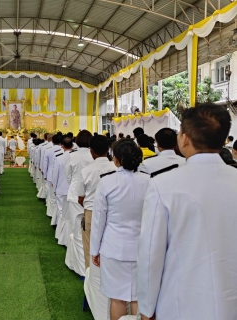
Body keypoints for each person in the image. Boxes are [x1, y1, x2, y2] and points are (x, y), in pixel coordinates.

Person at [138, 103, 237, 320]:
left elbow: (150, 255)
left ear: (184, 139)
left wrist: (146, 308)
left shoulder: (163, 185)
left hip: (181, 302)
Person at [91, 139, 148, 320]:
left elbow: (99, 221)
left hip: (113, 247)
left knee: (117, 298)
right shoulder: (150, 182)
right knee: (140, 297)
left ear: (116, 159)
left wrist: (95, 250)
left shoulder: (107, 182)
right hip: (143, 247)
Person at [76, 135, 116, 269]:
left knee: (89, 248)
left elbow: (80, 198)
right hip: (113, 212)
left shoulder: (86, 171)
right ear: (108, 149)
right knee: (110, 246)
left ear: (91, 151)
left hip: (91, 212)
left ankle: (90, 280)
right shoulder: (116, 169)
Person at [65, 130, 93, 237]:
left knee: (75, 227)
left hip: (75, 193)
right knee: (90, 229)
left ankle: (76, 252)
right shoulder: (94, 155)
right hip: (91, 194)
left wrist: (75, 184)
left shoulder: (72, 155)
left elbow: (68, 176)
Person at [52, 137, 73, 230]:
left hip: (61, 187)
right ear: (72, 146)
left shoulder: (59, 158)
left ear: (62, 146)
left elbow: (55, 175)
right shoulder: (75, 157)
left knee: (61, 210)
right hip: (73, 189)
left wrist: (54, 189)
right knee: (72, 212)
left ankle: (62, 231)